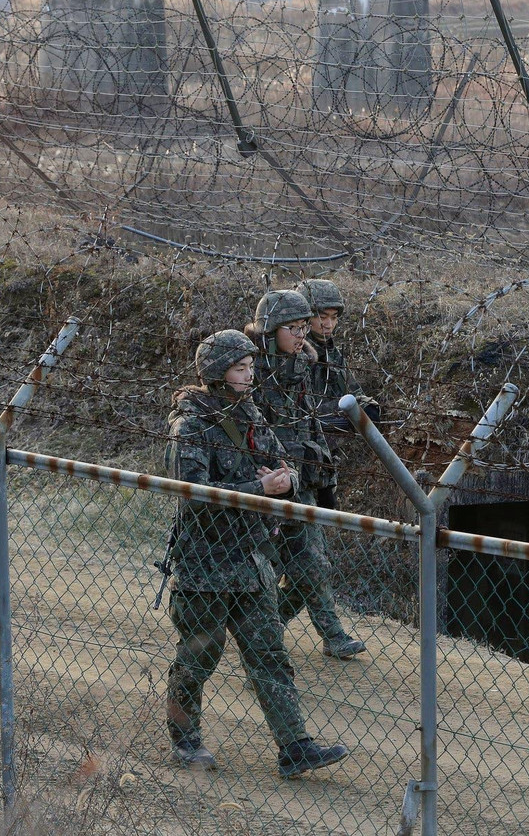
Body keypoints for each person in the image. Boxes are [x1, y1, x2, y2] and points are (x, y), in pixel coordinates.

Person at [164, 329, 350, 778]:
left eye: (250, 367)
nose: (249, 375)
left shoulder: (250, 414)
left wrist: (286, 481)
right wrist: (258, 487)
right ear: (216, 373)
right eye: (239, 368)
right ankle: (185, 740)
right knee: (198, 658)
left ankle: (295, 747)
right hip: (206, 564)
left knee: (269, 656)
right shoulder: (191, 426)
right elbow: (194, 495)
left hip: (252, 561)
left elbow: (285, 465)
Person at [245, 290, 366, 660]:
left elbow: (310, 424)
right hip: (264, 483)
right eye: (293, 328)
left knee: (313, 563)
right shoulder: (250, 371)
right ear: (271, 330)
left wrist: (324, 478)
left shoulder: (301, 366)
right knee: (272, 567)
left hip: (302, 479)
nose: (302, 335)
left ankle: (320, 634)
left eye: (303, 327)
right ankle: (266, 635)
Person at [297, 278, 380, 513]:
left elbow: (350, 390)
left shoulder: (330, 351)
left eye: (334, 317)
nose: (329, 324)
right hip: (302, 454)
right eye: (322, 317)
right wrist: (349, 412)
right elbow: (303, 410)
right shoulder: (297, 354)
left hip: (325, 455)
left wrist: (363, 406)